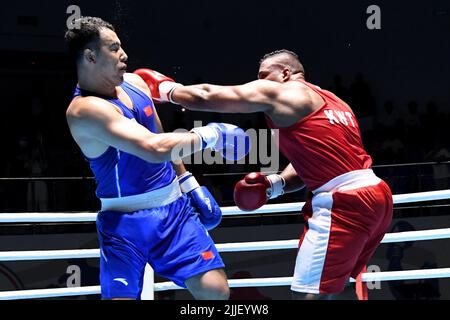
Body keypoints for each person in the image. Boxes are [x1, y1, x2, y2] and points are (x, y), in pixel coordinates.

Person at [136, 49, 394, 299]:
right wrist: (275, 184)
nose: (258, 83)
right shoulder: (336, 102)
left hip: (344, 202)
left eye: (262, 75)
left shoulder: (285, 91)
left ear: (284, 73)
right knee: (331, 288)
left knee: (306, 294)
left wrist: (166, 91)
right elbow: (315, 163)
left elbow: (206, 95)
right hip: (376, 196)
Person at [64, 16, 251, 300]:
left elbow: (160, 134)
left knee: (216, 292)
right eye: (113, 48)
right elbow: (151, 147)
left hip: (175, 210)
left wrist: (187, 182)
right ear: (90, 56)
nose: (123, 54)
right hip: (123, 222)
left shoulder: (136, 83)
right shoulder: (84, 111)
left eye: (121, 46)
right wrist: (210, 136)